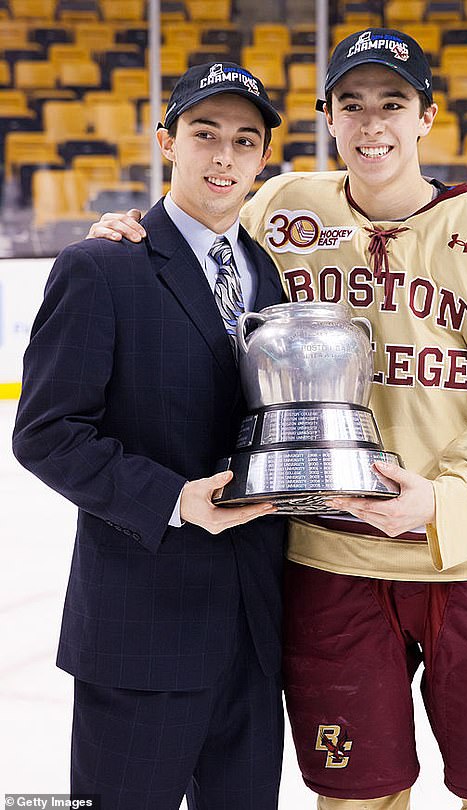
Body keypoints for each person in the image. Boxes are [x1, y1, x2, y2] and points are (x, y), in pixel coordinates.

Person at [88, 28, 467, 810]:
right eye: (352, 105)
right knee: (354, 798)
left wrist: (442, 501)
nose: (372, 123)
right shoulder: (284, 209)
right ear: (328, 117)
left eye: (394, 103)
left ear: (427, 116)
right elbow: (192, 241)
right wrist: (125, 234)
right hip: (330, 561)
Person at [13, 62, 288, 810]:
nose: (223, 156)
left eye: (244, 139)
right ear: (167, 142)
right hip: (142, 640)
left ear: (264, 159)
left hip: (256, 639)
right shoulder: (102, 266)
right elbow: (45, 433)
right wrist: (174, 500)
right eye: (205, 135)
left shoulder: (272, 276)